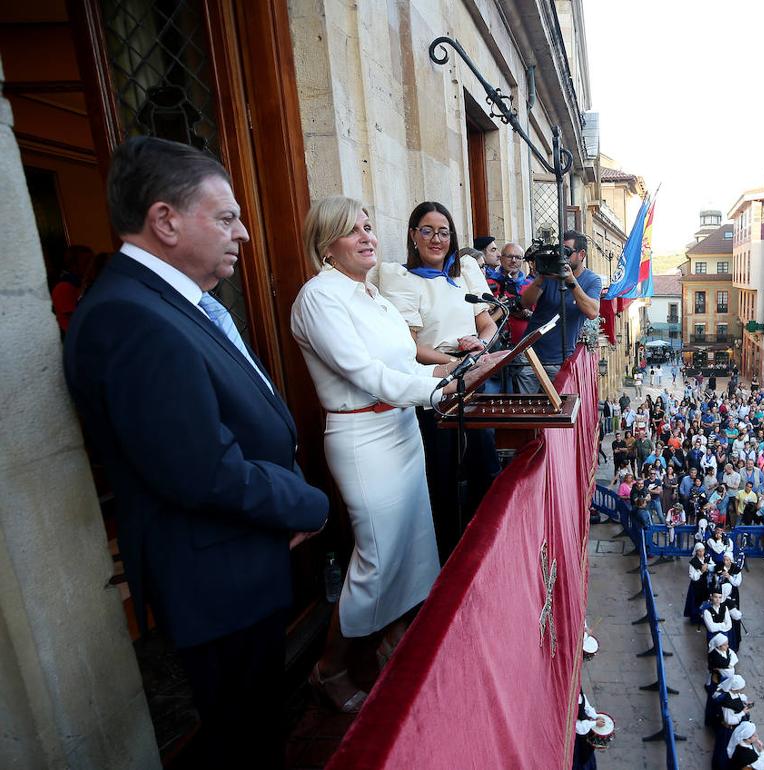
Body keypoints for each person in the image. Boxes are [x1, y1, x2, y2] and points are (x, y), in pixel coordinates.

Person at [63, 136, 330, 766]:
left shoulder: (167, 302)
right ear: (165, 221)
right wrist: (307, 501)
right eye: (226, 217)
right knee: (244, 740)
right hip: (215, 581)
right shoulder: (129, 317)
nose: (243, 233)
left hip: (240, 560)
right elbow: (202, 470)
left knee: (259, 726)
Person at [292, 197, 498, 708]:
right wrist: (439, 389)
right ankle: (330, 668)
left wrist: (458, 369)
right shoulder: (319, 298)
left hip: (402, 427)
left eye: (368, 226)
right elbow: (364, 374)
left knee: (413, 544)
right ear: (325, 245)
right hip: (363, 438)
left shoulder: (374, 296)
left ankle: (396, 640)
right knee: (377, 560)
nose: (367, 236)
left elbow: (406, 364)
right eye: (352, 230)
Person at [371, 200, 500, 560]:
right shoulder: (401, 279)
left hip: (474, 379)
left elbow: (487, 325)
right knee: (442, 478)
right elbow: (411, 347)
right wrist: (455, 364)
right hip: (435, 385)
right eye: (427, 231)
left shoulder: (465, 273)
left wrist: (479, 347)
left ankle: (487, 552)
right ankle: (449, 558)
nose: (436, 239)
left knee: (485, 467)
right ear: (413, 235)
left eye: (443, 232)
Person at [513, 229, 601, 393]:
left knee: (559, 407)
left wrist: (571, 281)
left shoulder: (591, 280)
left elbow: (592, 312)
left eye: (567, 251)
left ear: (581, 254)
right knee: (526, 406)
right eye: (559, 251)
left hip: (560, 359)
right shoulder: (550, 274)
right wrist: (541, 278)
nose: (562, 256)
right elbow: (526, 303)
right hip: (530, 355)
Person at [572, 689, 607, 770]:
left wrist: (595, 716)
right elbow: (578, 727)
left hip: (585, 734)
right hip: (577, 739)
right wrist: (595, 723)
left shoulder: (577, 690)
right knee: (579, 761)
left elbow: (586, 705)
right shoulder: (569, 701)